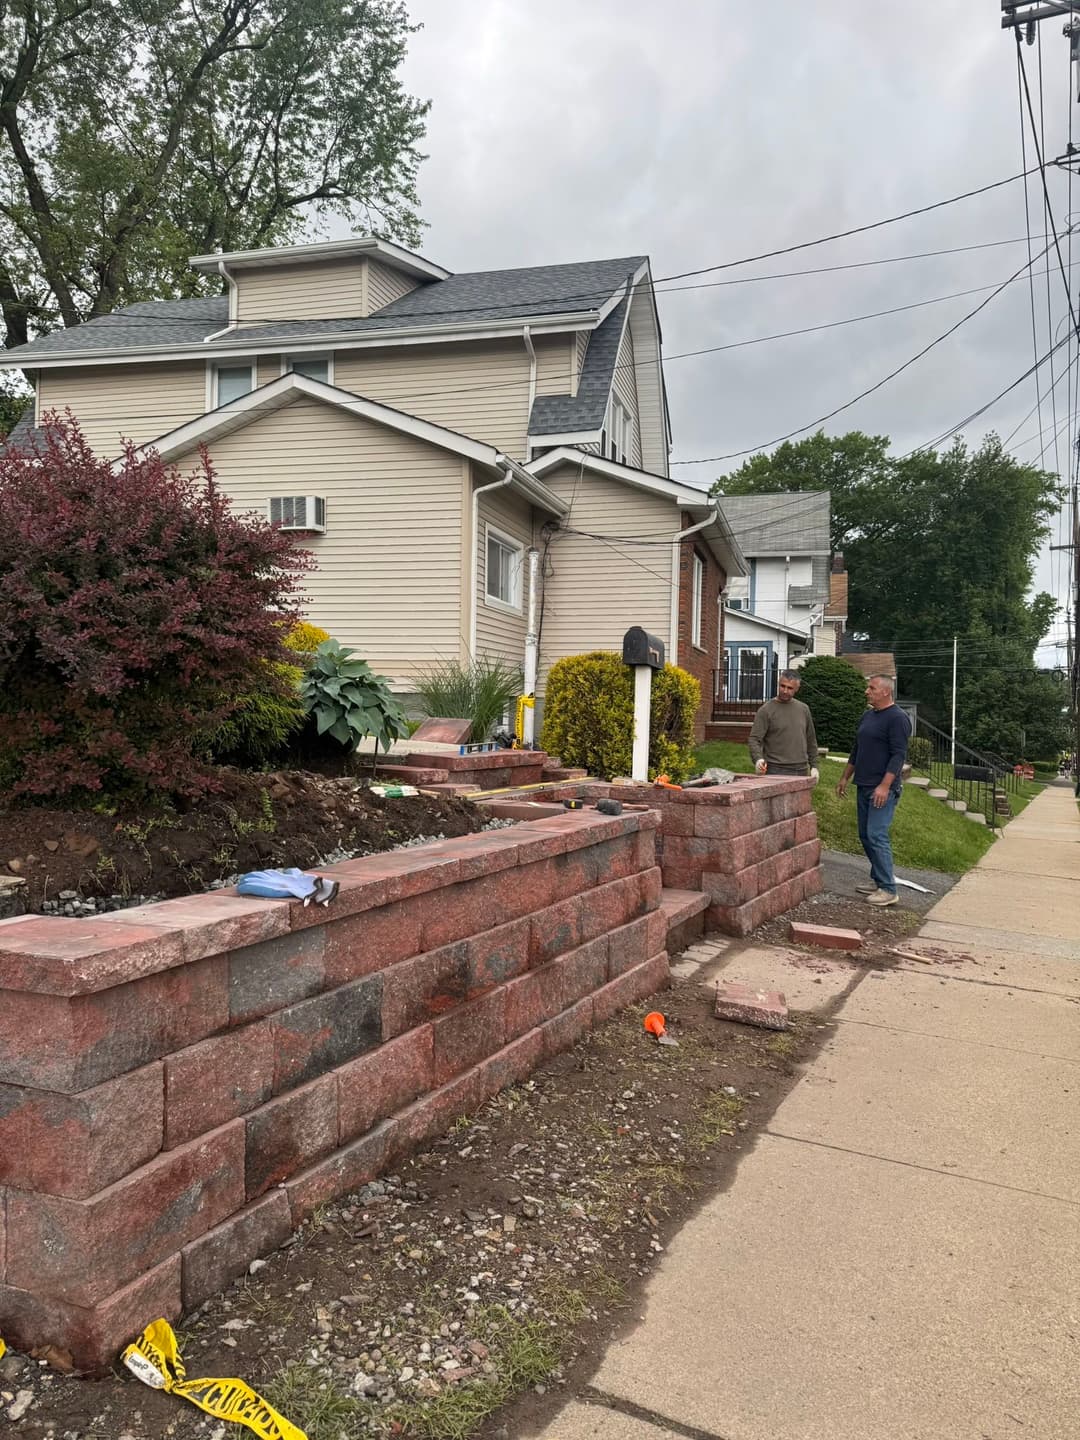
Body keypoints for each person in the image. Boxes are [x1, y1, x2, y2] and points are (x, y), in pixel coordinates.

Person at [836, 673, 911, 907]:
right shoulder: (868, 716)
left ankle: (888, 889)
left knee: (877, 835)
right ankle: (879, 878)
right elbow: (857, 749)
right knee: (865, 835)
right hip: (864, 784)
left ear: (886, 691)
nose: (867, 691)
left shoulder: (898, 719)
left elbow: (898, 755)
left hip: (883, 789)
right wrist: (845, 777)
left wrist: (885, 786)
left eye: (872, 688)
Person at [748, 669, 820, 780]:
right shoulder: (766, 710)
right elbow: (754, 739)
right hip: (774, 769)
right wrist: (758, 759)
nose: (785, 691)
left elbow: (811, 740)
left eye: (790, 688)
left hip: (801, 769)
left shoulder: (803, 709)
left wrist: (814, 766)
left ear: (797, 688)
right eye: (782, 686)